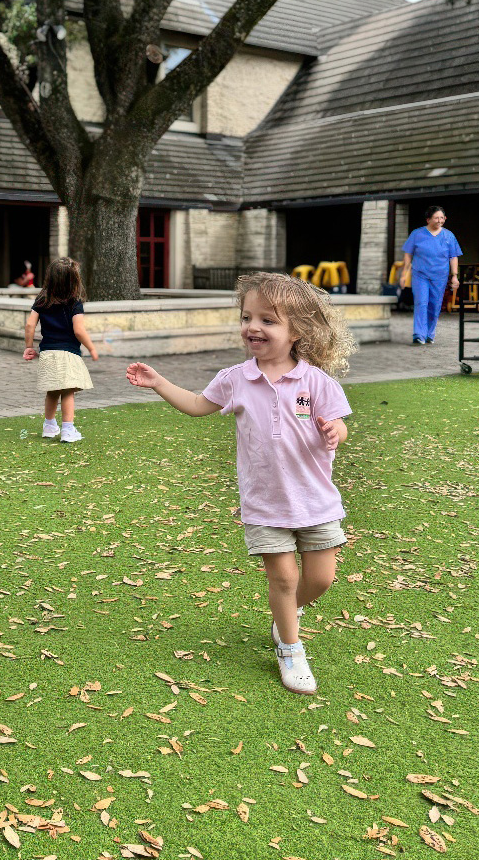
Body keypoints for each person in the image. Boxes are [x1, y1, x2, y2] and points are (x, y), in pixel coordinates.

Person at [126, 272, 356, 695]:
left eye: (268, 320)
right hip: (265, 501)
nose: (253, 327)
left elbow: (339, 424)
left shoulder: (316, 382)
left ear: (297, 331)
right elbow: (197, 405)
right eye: (247, 317)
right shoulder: (235, 378)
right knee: (284, 579)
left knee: (320, 580)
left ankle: (284, 614)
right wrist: (158, 383)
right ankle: (290, 647)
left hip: (315, 500)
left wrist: (333, 432)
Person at [23, 257, 98, 443]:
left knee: (52, 391)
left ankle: (49, 426)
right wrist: (92, 347)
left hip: (47, 352)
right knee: (67, 392)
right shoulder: (75, 302)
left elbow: (29, 325)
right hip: (68, 353)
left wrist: (29, 347)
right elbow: (79, 330)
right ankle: (67, 430)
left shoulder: (42, 299)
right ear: (74, 280)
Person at [399, 206, 462, 345]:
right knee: (421, 302)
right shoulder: (417, 234)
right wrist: (404, 274)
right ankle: (419, 334)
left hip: (440, 276)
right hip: (420, 274)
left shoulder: (449, 236)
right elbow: (408, 254)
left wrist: (454, 275)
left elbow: (453, 257)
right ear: (428, 219)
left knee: (434, 305)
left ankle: (429, 333)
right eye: (436, 218)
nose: (439, 220)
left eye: (442, 218)